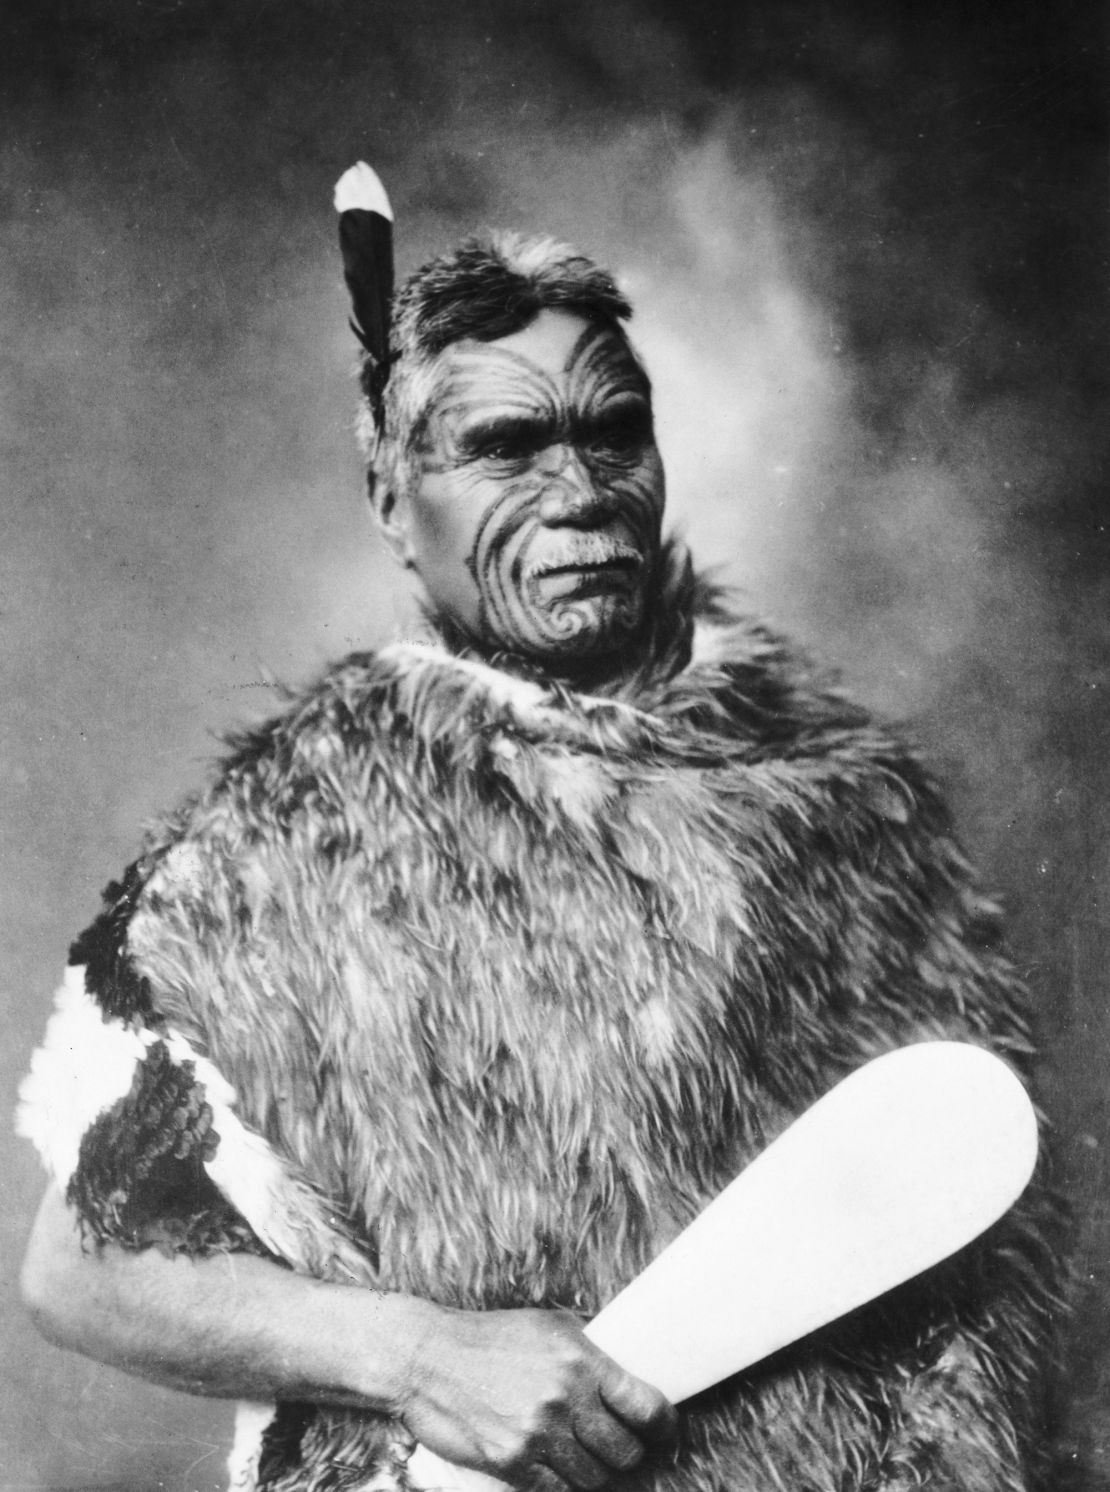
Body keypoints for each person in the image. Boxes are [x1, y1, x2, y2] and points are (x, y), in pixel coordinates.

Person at [18, 222, 1063, 1492]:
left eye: (613, 432)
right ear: (394, 498)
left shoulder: (855, 807)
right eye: (505, 446)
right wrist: (417, 1356)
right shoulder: (278, 847)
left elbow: (985, 1254)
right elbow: (83, 1270)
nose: (581, 490)